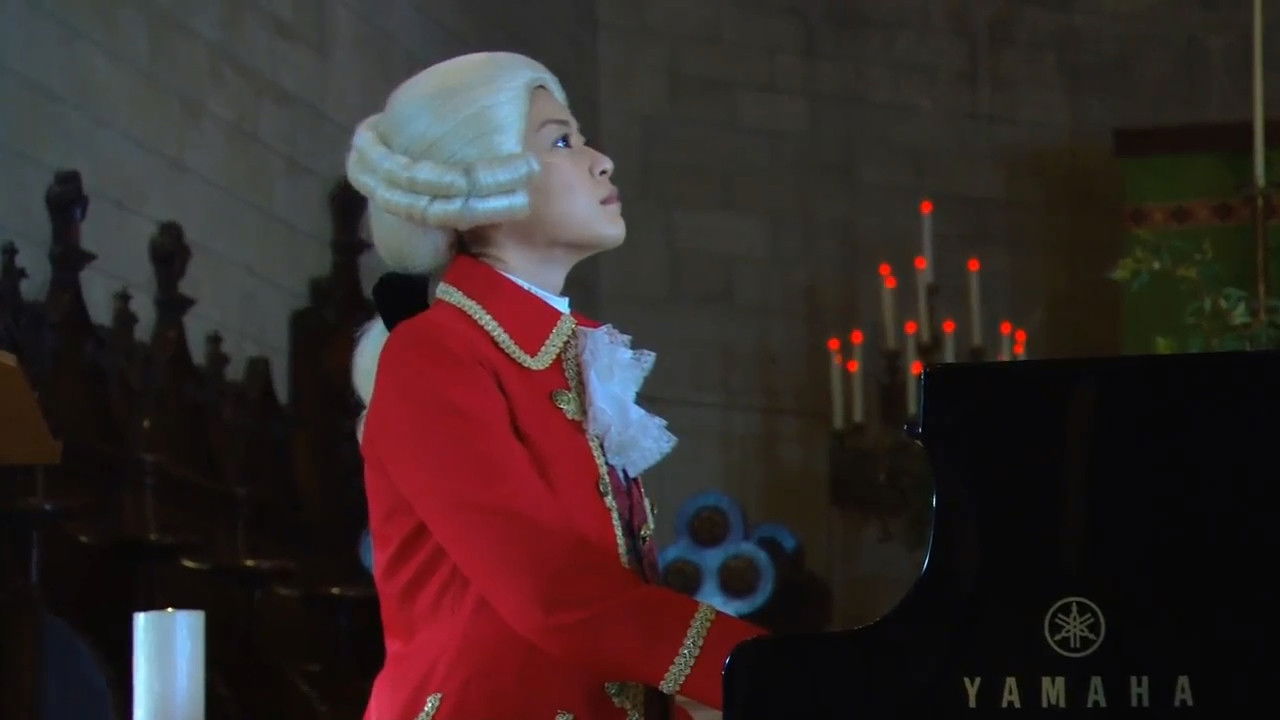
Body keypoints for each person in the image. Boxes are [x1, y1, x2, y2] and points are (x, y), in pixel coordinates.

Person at [345, 52, 767, 720]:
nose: (602, 161)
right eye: (562, 142)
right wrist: (781, 675)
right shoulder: (435, 355)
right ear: (484, 182)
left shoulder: (576, 355)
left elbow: (616, 617)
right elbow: (558, 595)